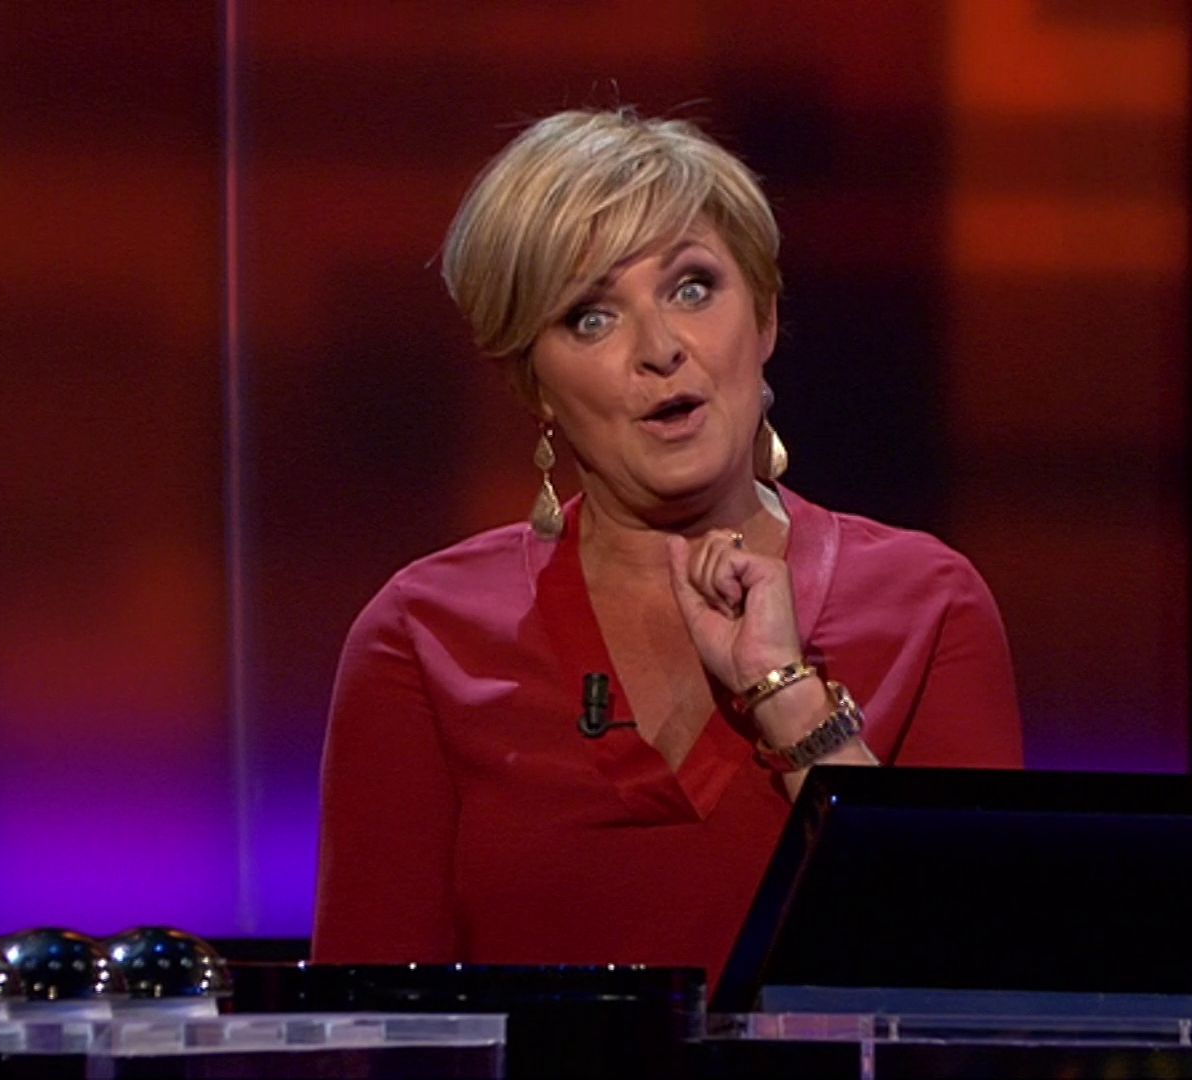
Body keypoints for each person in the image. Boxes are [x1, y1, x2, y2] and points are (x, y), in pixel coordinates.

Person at [311, 108, 1022, 986]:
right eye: (590, 317)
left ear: (764, 319)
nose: (659, 351)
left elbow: (977, 983)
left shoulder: (929, 604)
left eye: (692, 288)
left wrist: (789, 700)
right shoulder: (422, 637)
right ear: (534, 385)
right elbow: (373, 1023)